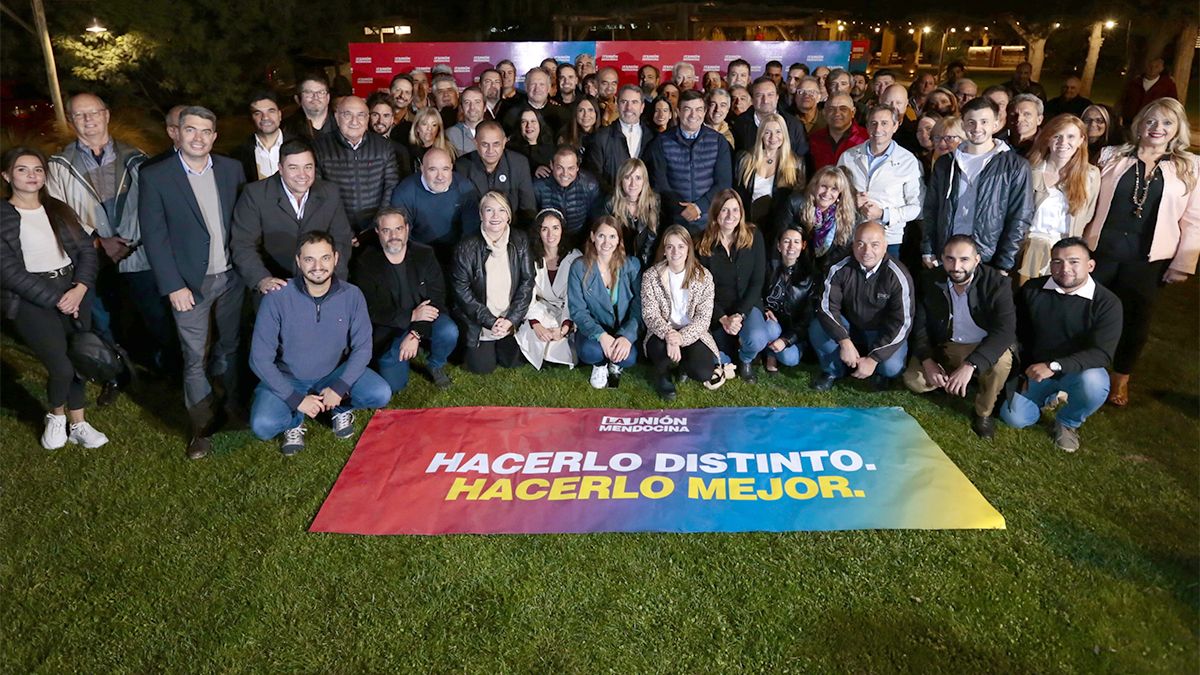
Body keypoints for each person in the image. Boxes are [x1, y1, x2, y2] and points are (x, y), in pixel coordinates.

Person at [139, 106, 247, 459]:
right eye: (191, 130)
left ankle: (231, 409)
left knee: (229, 348)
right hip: (189, 285)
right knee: (194, 357)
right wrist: (173, 286)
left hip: (231, 278)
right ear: (177, 132)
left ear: (214, 136)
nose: (198, 137)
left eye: (205, 131)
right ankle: (201, 428)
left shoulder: (231, 169)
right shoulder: (156, 175)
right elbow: (154, 238)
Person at [48, 92, 165, 397]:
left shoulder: (136, 157)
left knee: (153, 312)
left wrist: (130, 240)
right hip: (92, 257)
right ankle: (114, 373)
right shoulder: (59, 166)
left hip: (137, 252)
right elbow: (59, 214)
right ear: (71, 121)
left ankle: (163, 367)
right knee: (101, 319)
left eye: (94, 113)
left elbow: (153, 207)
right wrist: (98, 242)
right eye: (80, 115)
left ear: (107, 115)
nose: (89, 120)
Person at [1084, 98, 1198, 406]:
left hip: (1149, 258)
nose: (1157, 128)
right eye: (1151, 121)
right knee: (1089, 311)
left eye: (1166, 123)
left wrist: (1183, 263)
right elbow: (1088, 199)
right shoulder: (1111, 155)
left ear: (1177, 129)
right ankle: (1081, 369)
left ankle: (1120, 379)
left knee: (1136, 319)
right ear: (1140, 124)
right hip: (1101, 250)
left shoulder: (1189, 166)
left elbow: (1194, 219)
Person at [248, 231, 390, 455]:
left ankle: (339, 407)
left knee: (380, 393)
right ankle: (295, 421)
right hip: (290, 378)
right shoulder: (277, 297)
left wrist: (340, 386)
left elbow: (363, 348)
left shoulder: (352, 295)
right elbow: (259, 359)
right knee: (263, 426)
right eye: (309, 259)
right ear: (298, 261)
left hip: (333, 373)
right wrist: (296, 400)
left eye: (324, 258)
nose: (317, 266)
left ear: (335, 258)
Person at [1, 148, 107, 448]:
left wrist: (80, 288)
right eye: (22, 169)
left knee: (79, 358)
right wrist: (57, 300)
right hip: (31, 299)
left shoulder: (58, 208)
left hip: (73, 290)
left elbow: (87, 251)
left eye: (37, 169)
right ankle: (56, 416)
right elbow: (7, 271)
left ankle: (79, 423)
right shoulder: (3, 215)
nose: (32, 175)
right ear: (7, 176)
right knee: (60, 366)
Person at [999, 237, 1122, 452]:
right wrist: (1019, 373)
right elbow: (1014, 333)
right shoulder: (1033, 290)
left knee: (1095, 382)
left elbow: (1102, 354)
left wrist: (1054, 365)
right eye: (1057, 262)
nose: (1065, 269)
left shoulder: (1107, 303)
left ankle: (1068, 423)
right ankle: (1046, 397)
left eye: (1074, 262)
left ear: (1090, 266)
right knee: (1014, 418)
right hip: (1034, 371)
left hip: (1077, 372)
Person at [904, 235, 1016, 438]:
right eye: (950, 259)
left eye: (964, 259)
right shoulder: (929, 279)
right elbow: (919, 325)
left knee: (1001, 362)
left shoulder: (998, 284)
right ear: (942, 258)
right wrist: (928, 360)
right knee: (914, 381)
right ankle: (950, 381)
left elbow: (1005, 331)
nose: (956, 266)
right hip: (946, 345)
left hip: (980, 346)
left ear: (977, 259)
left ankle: (983, 412)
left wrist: (970, 365)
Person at [922, 97, 1034, 274]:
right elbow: (931, 208)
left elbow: (1020, 217)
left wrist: (1004, 262)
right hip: (949, 253)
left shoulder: (1015, 166)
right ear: (964, 124)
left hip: (988, 257)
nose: (977, 128)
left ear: (996, 124)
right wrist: (928, 248)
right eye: (971, 122)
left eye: (984, 122)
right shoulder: (946, 163)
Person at [352, 206, 458, 392]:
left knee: (449, 331)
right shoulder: (365, 262)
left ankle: (435, 364)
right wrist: (410, 316)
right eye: (387, 230)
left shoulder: (424, 254)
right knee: (395, 386)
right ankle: (401, 357)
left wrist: (415, 333)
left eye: (398, 229)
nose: (394, 235)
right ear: (377, 232)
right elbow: (371, 309)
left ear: (407, 229)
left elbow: (437, 298)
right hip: (390, 327)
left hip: (425, 318)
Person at [231, 138, 353, 295]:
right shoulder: (255, 194)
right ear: (280, 169)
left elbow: (341, 239)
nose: (302, 175)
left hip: (323, 284)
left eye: (308, 167)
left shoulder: (330, 192)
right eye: (293, 168)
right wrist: (262, 279)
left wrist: (334, 279)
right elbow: (242, 244)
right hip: (275, 286)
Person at [809, 221, 914, 391]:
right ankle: (833, 370)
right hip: (851, 328)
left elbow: (902, 323)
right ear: (853, 244)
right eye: (860, 244)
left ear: (885, 246)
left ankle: (880, 372)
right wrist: (844, 340)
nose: (867, 251)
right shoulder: (838, 266)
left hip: (881, 332)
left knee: (891, 366)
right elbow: (826, 307)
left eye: (875, 245)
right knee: (817, 327)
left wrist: (874, 358)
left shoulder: (898, 275)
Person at [452, 191, 535, 374]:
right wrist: (490, 321)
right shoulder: (466, 246)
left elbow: (527, 281)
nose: (495, 216)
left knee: (511, 362)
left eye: (501, 210)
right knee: (482, 368)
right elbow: (461, 290)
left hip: (510, 316)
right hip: (481, 319)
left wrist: (511, 319)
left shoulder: (520, 240)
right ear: (481, 215)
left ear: (508, 215)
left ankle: (507, 336)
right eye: (489, 210)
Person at [641, 224, 726, 399]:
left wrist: (681, 338)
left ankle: (684, 365)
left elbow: (703, 319)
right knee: (660, 352)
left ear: (688, 249)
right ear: (664, 250)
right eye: (670, 247)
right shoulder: (651, 276)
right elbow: (650, 314)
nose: (675, 252)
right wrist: (670, 335)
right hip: (662, 331)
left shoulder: (703, 277)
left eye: (681, 246)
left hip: (692, 331)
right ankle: (662, 375)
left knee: (703, 372)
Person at [1016, 115, 1101, 285]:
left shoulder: (1090, 176)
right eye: (1057, 136)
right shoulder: (1028, 171)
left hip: (1064, 254)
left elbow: (1087, 217)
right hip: (1027, 250)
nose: (1063, 142)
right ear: (1047, 139)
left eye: (1071, 137)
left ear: (1081, 140)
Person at [696, 190, 767, 382]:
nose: (730, 216)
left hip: (747, 306)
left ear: (741, 212)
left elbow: (757, 281)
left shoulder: (754, 236)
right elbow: (701, 291)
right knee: (714, 357)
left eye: (735, 210)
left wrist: (740, 314)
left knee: (758, 337)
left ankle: (746, 360)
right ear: (716, 213)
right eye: (725, 210)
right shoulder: (702, 242)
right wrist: (722, 318)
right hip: (715, 311)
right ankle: (730, 354)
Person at [837, 105, 924, 259]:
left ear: (895, 126)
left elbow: (916, 208)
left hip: (888, 239)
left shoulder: (908, 161)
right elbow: (835, 194)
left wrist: (884, 214)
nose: (878, 129)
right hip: (853, 236)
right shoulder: (848, 157)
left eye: (884, 123)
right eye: (873, 123)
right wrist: (851, 201)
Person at [567, 216, 642, 388]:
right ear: (593, 237)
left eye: (612, 236)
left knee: (629, 358)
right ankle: (600, 365)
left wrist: (627, 336)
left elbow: (639, 306)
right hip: (593, 330)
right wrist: (601, 336)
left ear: (619, 240)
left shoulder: (632, 265)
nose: (606, 242)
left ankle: (615, 364)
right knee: (590, 352)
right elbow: (577, 310)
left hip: (621, 328)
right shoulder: (579, 267)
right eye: (601, 236)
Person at [645, 90, 733, 235]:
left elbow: (724, 182)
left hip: (709, 222)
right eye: (688, 109)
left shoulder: (718, 141)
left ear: (705, 111)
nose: (693, 115)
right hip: (674, 221)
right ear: (678, 111)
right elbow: (659, 182)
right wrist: (682, 210)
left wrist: (699, 207)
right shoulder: (661, 141)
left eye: (698, 109)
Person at [313, 96, 401, 236]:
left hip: (376, 229)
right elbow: (318, 191)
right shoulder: (320, 146)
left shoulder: (383, 146)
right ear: (336, 117)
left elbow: (391, 186)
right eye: (347, 114)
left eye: (361, 115)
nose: (354, 121)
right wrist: (340, 228)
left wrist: (377, 223)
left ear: (367, 119)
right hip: (336, 229)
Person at [390, 147, 481, 264]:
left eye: (445, 169)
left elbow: (471, 229)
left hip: (456, 252)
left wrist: (462, 258)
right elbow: (402, 235)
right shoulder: (404, 192)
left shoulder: (464, 187)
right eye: (433, 170)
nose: (440, 176)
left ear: (452, 168)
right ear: (422, 169)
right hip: (418, 254)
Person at [515, 208, 581, 369]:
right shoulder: (529, 257)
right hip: (540, 310)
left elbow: (575, 298)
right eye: (544, 229)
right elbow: (527, 294)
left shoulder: (575, 258)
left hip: (567, 312)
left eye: (555, 228)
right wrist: (536, 324)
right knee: (535, 336)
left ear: (562, 230)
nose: (550, 234)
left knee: (563, 343)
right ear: (538, 232)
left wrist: (565, 327)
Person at [454, 120, 536, 227]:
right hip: (475, 231)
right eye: (485, 144)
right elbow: (462, 211)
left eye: (496, 144)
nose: (490, 150)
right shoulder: (462, 166)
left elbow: (528, 209)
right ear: (475, 143)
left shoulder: (519, 164)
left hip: (512, 230)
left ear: (504, 142)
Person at [734, 112, 803, 233]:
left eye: (778, 132)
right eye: (767, 132)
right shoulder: (745, 160)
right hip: (748, 226)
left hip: (778, 228)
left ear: (784, 134)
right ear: (761, 135)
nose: (773, 137)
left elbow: (797, 203)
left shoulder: (795, 163)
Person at [760, 225, 816, 374]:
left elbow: (807, 319)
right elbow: (756, 294)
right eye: (786, 241)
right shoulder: (768, 268)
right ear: (779, 245)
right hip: (771, 325)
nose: (791, 246)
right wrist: (763, 309)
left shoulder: (809, 276)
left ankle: (773, 348)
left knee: (790, 359)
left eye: (796, 242)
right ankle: (770, 356)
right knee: (770, 328)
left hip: (793, 331)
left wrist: (786, 340)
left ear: (803, 246)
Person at [783, 165, 858, 275]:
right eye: (823, 186)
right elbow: (783, 238)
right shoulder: (795, 204)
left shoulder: (848, 216)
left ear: (840, 194)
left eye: (834, 189)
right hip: (796, 266)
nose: (827, 193)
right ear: (814, 186)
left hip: (828, 271)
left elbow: (843, 252)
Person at [588, 85, 656, 195]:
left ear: (642, 107)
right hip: (611, 204)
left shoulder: (653, 137)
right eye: (624, 102)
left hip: (645, 206)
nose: (629, 107)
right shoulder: (601, 137)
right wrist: (617, 198)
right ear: (617, 105)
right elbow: (595, 176)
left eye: (634, 102)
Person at [533, 146, 602, 244]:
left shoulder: (590, 185)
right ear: (551, 165)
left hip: (581, 240)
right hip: (549, 241)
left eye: (571, 168)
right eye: (559, 168)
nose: (565, 174)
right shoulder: (539, 186)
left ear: (577, 167)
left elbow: (595, 221)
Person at [730, 77, 809, 162]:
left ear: (777, 97)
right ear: (752, 99)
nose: (765, 100)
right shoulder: (739, 124)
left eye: (770, 95)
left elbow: (802, 160)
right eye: (759, 95)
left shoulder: (794, 125)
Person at [605, 158, 661, 268]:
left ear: (644, 181)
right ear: (621, 180)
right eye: (627, 178)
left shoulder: (654, 202)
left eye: (638, 178)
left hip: (648, 262)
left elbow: (654, 239)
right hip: (618, 263)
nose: (633, 184)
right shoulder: (610, 203)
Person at [232, 91, 290, 182]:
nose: (265, 117)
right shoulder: (239, 155)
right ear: (251, 118)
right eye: (258, 113)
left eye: (271, 111)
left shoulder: (303, 144)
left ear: (280, 115)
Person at [810, 93, 868, 171]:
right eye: (831, 109)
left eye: (843, 109)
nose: (837, 113)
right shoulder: (814, 139)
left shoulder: (866, 138)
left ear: (853, 112)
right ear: (824, 113)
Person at [1119, 58, 1178, 127]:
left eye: (1156, 67)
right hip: (1130, 122)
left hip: (1153, 123)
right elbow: (1125, 100)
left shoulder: (1168, 85)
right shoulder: (1135, 82)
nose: (1152, 69)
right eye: (1150, 66)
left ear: (1161, 69)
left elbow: (1172, 104)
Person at [283, 74, 335, 140]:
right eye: (308, 92)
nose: (316, 97)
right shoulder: (287, 128)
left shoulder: (341, 123)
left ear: (328, 97)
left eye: (321, 92)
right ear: (297, 99)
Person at [508, 108, 556, 179]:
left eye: (533, 121)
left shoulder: (551, 148)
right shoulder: (511, 150)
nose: (529, 125)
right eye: (524, 122)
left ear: (540, 124)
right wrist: (533, 170)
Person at [407, 107, 456, 172]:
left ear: (438, 129)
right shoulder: (409, 151)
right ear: (417, 128)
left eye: (434, 125)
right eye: (424, 124)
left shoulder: (447, 150)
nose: (429, 128)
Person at [446, 86, 487, 158]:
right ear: (461, 108)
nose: (472, 107)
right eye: (467, 102)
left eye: (477, 102)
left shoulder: (496, 132)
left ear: (485, 107)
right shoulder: (451, 134)